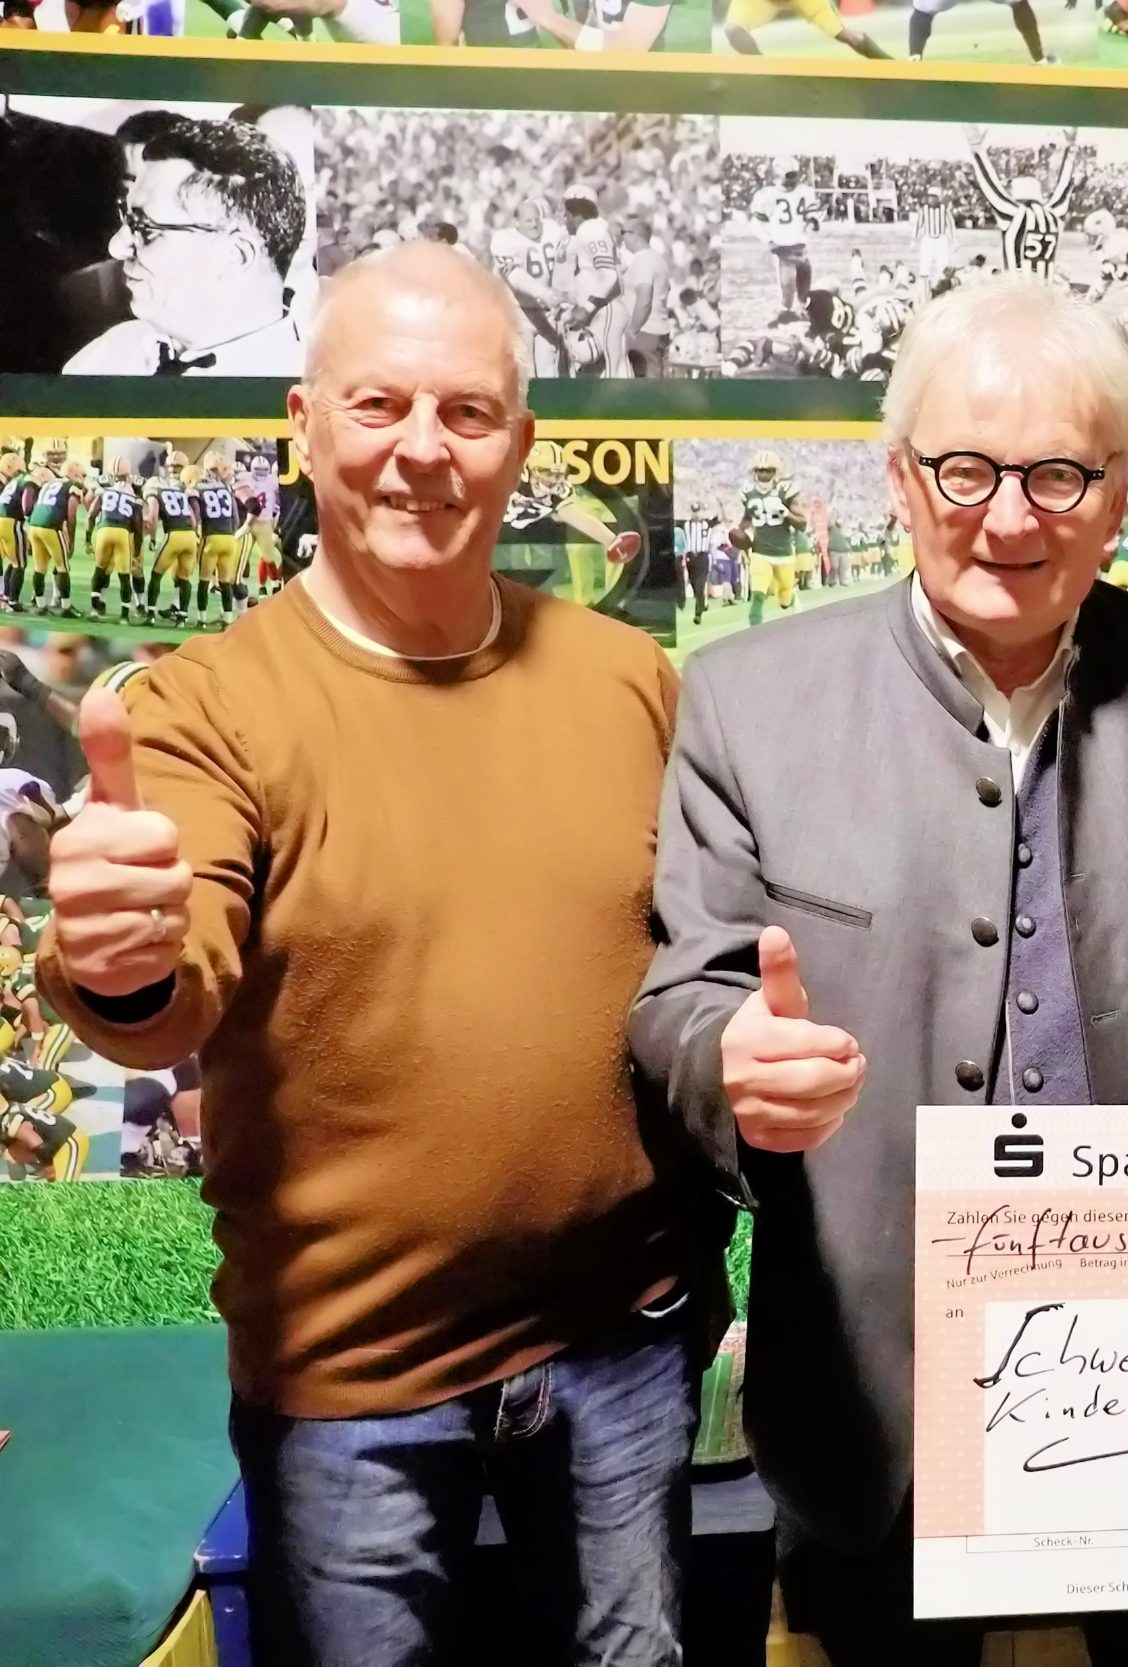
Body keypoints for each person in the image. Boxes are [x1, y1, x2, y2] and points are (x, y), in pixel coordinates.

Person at [630, 272, 1128, 1667]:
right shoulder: (748, 697)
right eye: (965, 466)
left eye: (1060, 473)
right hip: (875, 1389)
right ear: (898, 476)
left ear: (1125, 492)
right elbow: (679, 1002)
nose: (1009, 516)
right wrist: (729, 1060)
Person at [34, 241, 719, 1667]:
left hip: (623, 1344)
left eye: (467, 413)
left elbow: (702, 962)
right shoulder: (205, 704)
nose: (423, 449)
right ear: (304, 421)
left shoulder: (632, 679)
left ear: (521, 443)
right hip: (352, 1384)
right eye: (379, 405)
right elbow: (169, 988)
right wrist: (117, 954)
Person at [65, 112, 308, 377]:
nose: (116, 247)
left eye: (146, 228)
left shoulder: (309, 391)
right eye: (128, 217)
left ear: (236, 255)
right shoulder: (108, 354)